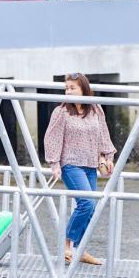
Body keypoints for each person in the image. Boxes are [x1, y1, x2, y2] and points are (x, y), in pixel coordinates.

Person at [44, 72, 114, 266]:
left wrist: (108, 157)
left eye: (72, 88)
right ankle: (66, 245)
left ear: (84, 89)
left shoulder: (95, 109)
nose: (68, 91)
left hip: (91, 164)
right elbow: (52, 138)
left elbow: (103, 134)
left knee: (91, 209)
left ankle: (80, 249)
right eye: (66, 88)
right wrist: (54, 164)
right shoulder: (61, 112)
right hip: (71, 164)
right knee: (86, 203)